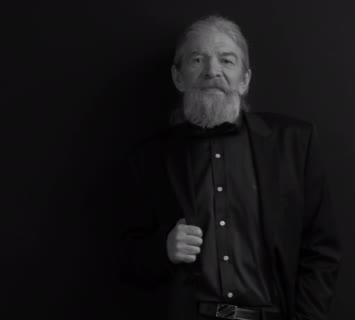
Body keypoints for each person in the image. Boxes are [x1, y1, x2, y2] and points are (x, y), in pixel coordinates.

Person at [120, 15, 341, 320]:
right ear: (178, 76)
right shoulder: (147, 159)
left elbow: (321, 251)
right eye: (198, 60)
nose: (213, 71)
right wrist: (163, 249)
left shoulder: (295, 143)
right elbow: (125, 258)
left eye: (227, 60)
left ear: (245, 79)